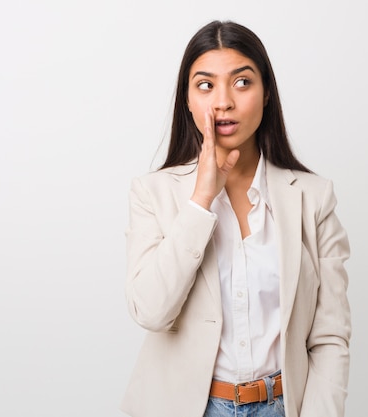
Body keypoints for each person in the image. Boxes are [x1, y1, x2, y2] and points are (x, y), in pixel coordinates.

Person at [121, 20, 351, 417]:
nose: (223, 102)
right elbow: (151, 310)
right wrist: (201, 199)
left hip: (283, 406)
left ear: (266, 96)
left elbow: (330, 338)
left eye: (242, 82)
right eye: (205, 85)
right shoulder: (152, 193)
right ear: (188, 100)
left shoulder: (313, 197)